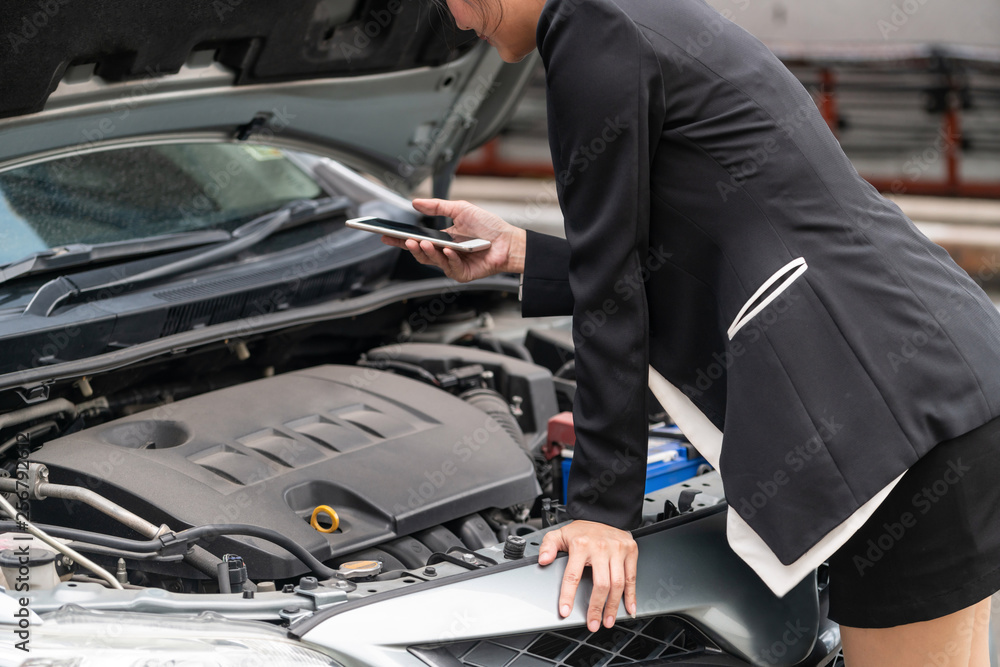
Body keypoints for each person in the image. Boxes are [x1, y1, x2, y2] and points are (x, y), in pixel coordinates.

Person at [383, 0, 1000, 663]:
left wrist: (599, 509)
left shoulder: (592, 29)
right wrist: (518, 251)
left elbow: (612, 291)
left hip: (894, 423)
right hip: (939, 375)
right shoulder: (627, 12)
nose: (450, 15)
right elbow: (680, 248)